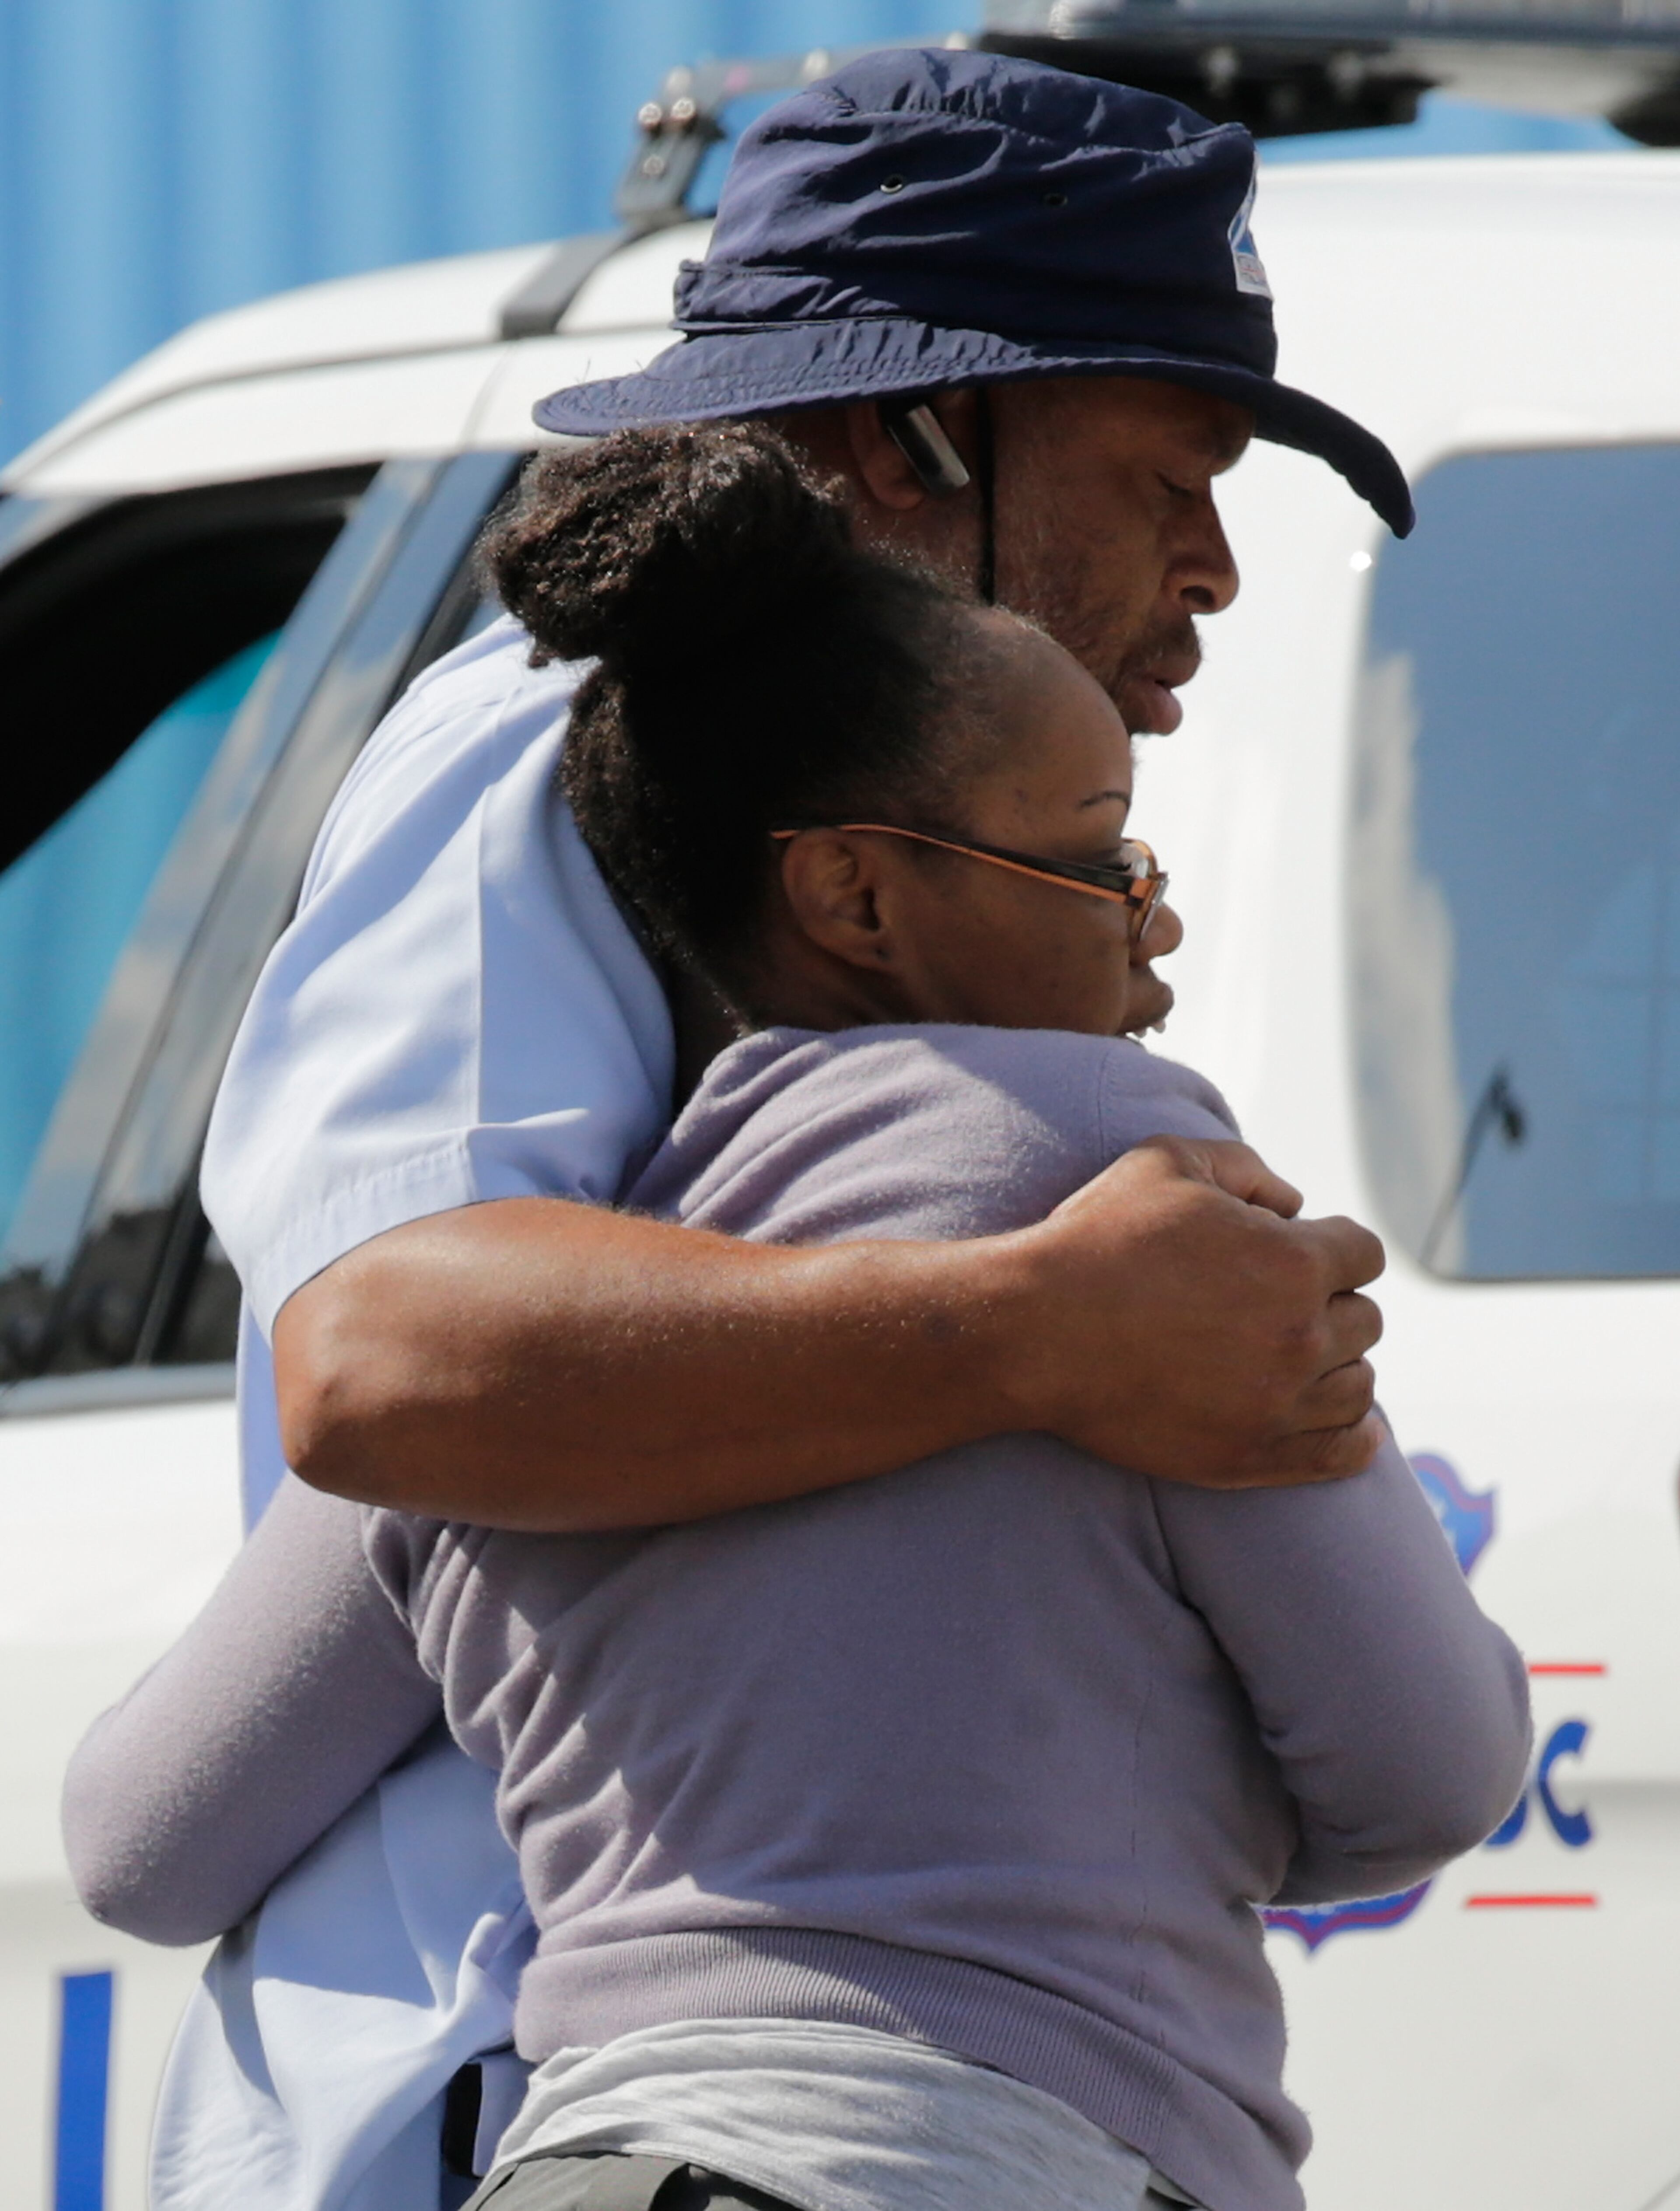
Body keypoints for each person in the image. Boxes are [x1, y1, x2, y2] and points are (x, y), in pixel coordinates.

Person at [158, 49, 1413, 2211]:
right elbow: (389, 1359)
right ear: (897, 444)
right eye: (1167, 477)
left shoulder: (962, 949)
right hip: (523, 2098)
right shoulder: (553, 747)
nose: (1213, 566)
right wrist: (1037, 1318)